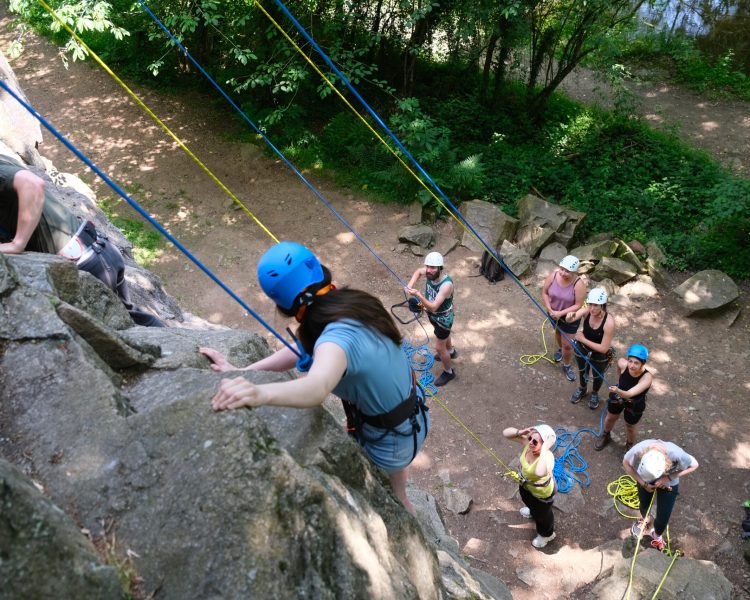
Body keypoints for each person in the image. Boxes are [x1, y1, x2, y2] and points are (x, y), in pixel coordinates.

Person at [202, 241, 429, 515]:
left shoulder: (334, 338)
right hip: (414, 418)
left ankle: (396, 507)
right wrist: (243, 371)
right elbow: (303, 351)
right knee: (397, 485)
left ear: (285, 307)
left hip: (388, 444)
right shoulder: (352, 303)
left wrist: (258, 393)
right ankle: (403, 499)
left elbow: (317, 386)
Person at [0, 157, 164, 327]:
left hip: (84, 265)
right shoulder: (5, 162)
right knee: (135, 320)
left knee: (117, 331)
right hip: (99, 252)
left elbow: (32, 183)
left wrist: (18, 243)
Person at [622, 440, 699, 550]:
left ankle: (657, 535)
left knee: (664, 515)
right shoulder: (638, 449)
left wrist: (668, 478)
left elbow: (694, 465)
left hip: (668, 482)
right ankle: (645, 519)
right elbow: (626, 462)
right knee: (644, 503)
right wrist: (643, 483)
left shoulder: (677, 454)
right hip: (644, 478)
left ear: (666, 464)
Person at [404, 251, 456, 387]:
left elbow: (433, 307)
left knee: (439, 348)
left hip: (443, 318)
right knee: (443, 337)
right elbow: (418, 272)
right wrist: (410, 285)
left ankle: (449, 372)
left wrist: (419, 295)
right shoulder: (429, 272)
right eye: (428, 266)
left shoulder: (446, 285)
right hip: (435, 316)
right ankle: (450, 351)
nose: (429, 270)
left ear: (440, 268)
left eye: (433, 268)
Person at [502, 423, 557, 548]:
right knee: (528, 500)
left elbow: (539, 472)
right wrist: (520, 432)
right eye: (530, 438)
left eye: (536, 441)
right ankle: (532, 511)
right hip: (527, 486)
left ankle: (547, 534)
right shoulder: (528, 445)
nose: (531, 442)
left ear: (544, 445)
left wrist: (544, 449)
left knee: (543, 516)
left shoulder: (547, 458)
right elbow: (505, 433)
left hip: (542, 494)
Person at [595, 344, 653, 451]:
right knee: (610, 417)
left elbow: (629, 394)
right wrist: (620, 382)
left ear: (643, 363)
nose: (631, 365)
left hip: (634, 402)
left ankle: (629, 444)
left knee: (630, 426)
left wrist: (617, 390)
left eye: (636, 363)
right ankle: (606, 434)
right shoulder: (623, 364)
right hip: (618, 397)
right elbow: (619, 365)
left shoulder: (646, 378)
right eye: (630, 361)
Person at [566, 288, 615, 410]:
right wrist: (569, 317)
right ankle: (582, 388)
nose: (592, 308)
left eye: (596, 305)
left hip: (598, 354)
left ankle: (594, 393)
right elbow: (572, 318)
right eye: (590, 304)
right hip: (582, 349)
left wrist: (583, 339)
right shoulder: (587, 311)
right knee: (583, 370)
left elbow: (604, 349)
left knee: (598, 375)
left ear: (603, 305)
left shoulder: (609, 322)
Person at [542, 255, 587, 382]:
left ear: (574, 272)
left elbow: (578, 305)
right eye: (562, 269)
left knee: (568, 345)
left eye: (567, 271)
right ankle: (561, 349)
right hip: (553, 313)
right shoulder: (553, 276)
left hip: (570, 317)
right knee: (557, 332)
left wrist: (560, 313)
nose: (563, 273)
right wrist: (550, 310)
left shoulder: (579, 284)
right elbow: (545, 292)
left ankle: (566, 365)